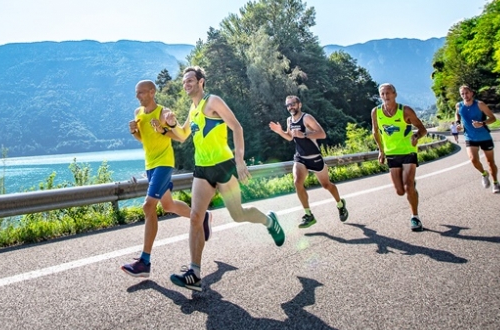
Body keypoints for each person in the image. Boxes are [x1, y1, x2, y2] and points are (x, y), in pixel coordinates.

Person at [162, 66, 285, 291]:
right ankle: (195, 273)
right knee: (195, 217)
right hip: (202, 170)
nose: (186, 84)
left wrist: (239, 160)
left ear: (201, 82)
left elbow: (236, 127)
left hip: (224, 167)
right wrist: (169, 126)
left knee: (238, 215)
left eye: (190, 80)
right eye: (183, 82)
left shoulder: (213, 101)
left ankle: (270, 221)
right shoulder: (193, 109)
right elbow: (182, 135)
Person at [120, 80, 212, 278]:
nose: (138, 96)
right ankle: (203, 216)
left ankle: (144, 261)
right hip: (150, 165)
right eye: (136, 93)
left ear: (152, 92)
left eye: (141, 93)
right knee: (168, 205)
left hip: (164, 163)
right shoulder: (138, 113)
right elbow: (144, 140)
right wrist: (135, 132)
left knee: (148, 206)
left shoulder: (163, 112)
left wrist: (169, 124)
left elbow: (177, 134)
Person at [269, 95, 348, 229]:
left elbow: (322, 134)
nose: (290, 107)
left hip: (314, 157)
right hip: (300, 157)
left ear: (299, 105)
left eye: (292, 104)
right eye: (287, 105)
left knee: (326, 185)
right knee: (297, 182)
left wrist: (304, 135)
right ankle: (308, 214)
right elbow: (289, 137)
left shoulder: (307, 118)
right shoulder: (289, 120)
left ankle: (340, 204)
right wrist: (279, 131)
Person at [371, 83, 428, 231]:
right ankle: (411, 187)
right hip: (391, 153)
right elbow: (375, 132)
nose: (386, 96)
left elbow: (422, 130)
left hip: (408, 151)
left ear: (395, 94)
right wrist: (381, 151)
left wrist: (416, 136)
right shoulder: (376, 112)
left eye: (388, 93)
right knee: (400, 191)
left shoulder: (405, 111)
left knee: (408, 186)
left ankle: (415, 217)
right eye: (382, 94)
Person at [456, 85, 500, 193]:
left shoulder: (480, 104)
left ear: (472, 93)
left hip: (484, 136)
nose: (465, 95)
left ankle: (495, 183)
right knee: (473, 160)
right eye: (462, 94)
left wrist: (482, 123)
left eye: (466, 93)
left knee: (490, 162)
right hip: (469, 137)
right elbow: (457, 115)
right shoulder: (459, 105)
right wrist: (458, 124)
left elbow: (493, 118)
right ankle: (483, 173)